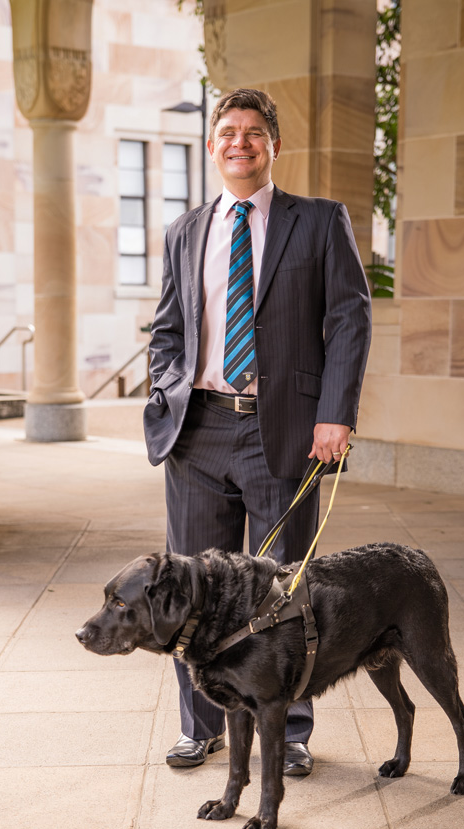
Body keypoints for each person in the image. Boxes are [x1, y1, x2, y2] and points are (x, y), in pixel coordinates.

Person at [144, 88, 371, 776]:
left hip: (288, 431)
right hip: (199, 430)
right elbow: (168, 328)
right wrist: (165, 390)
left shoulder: (320, 221)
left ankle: (292, 728)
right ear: (213, 146)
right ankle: (202, 724)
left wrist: (336, 413)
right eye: (227, 132)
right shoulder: (185, 230)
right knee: (192, 589)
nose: (238, 142)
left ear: (275, 146)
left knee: (283, 587)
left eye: (253, 132)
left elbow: (349, 319)